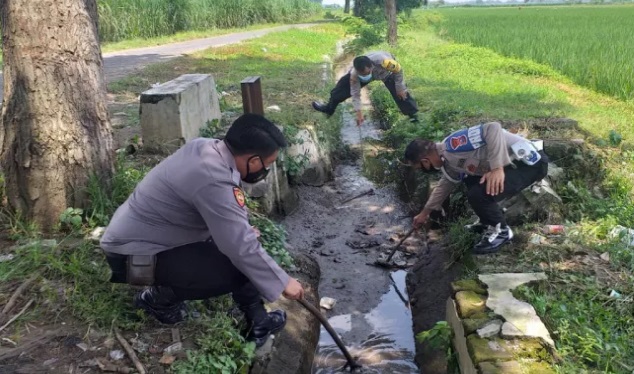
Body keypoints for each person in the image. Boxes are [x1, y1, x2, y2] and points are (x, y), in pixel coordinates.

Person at [100, 113, 305, 347]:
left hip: (140, 245)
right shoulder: (213, 179)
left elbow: (227, 226)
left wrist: (241, 235)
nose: (265, 170)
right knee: (238, 262)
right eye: (267, 164)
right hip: (132, 263)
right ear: (254, 161)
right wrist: (283, 281)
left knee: (243, 246)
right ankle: (157, 299)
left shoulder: (205, 148)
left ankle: (258, 320)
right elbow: (239, 247)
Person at [403, 122, 549, 254]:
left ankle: (502, 231)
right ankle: (487, 223)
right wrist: (424, 213)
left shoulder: (454, 146)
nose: (422, 170)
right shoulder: (448, 160)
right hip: (512, 166)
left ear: (425, 161)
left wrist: (497, 168)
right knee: (471, 181)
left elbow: (493, 127)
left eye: (420, 168)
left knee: (478, 194)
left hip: (529, 164)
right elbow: (444, 185)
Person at [312, 51, 419, 125]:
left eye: (366, 73)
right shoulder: (355, 74)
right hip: (363, 74)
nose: (364, 75)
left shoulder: (386, 62)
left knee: (400, 93)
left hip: (386, 73)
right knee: (339, 91)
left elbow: (398, 71)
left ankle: (413, 116)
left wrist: (400, 88)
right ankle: (328, 109)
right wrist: (359, 113)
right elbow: (355, 93)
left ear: (371, 67)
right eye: (362, 74)